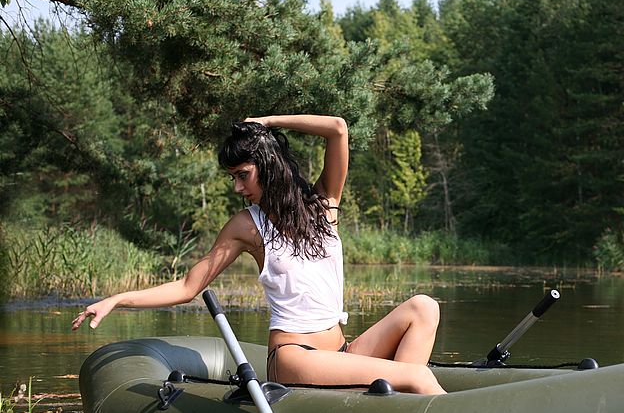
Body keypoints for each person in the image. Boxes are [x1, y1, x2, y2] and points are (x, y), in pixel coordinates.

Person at [72, 114, 446, 395]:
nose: (237, 186)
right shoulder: (246, 226)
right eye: (232, 177)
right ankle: (416, 410)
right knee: (416, 375)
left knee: (424, 307)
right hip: (294, 356)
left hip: (342, 349)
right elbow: (188, 287)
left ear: (267, 164)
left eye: (242, 174)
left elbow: (338, 128)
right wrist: (119, 299)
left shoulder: (323, 203)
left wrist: (266, 123)